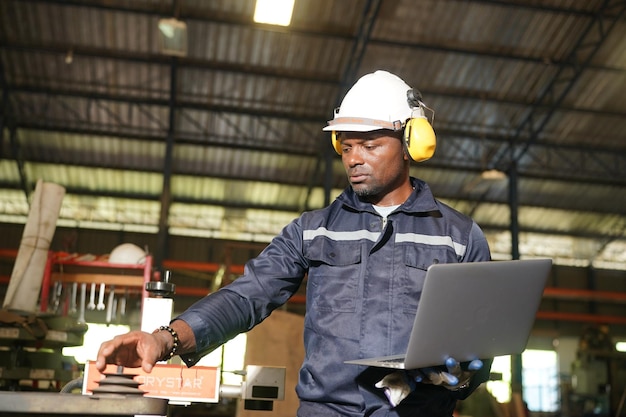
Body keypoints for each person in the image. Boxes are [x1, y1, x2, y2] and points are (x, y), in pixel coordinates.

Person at [96, 70, 493, 417]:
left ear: (411, 143)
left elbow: (483, 339)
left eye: (370, 145)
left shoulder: (457, 237)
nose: (354, 158)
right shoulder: (313, 231)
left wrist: (464, 375)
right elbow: (246, 295)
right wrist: (164, 338)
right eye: (346, 145)